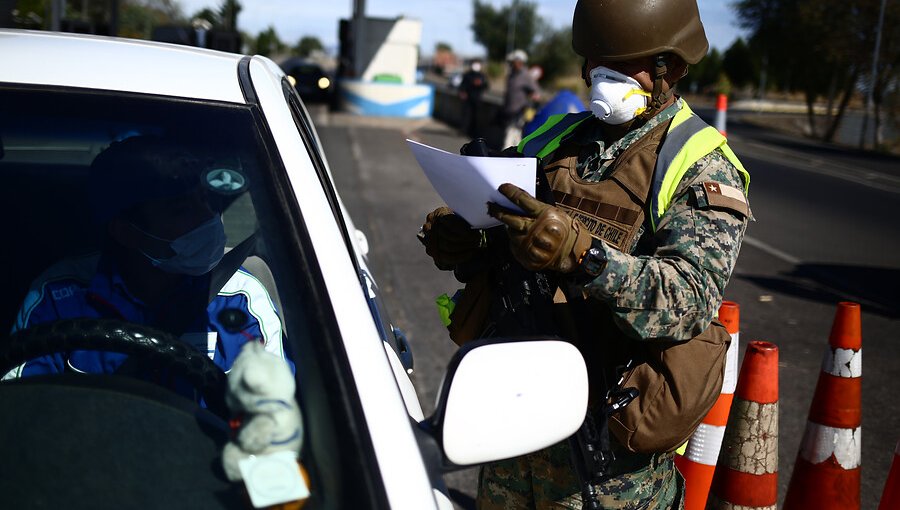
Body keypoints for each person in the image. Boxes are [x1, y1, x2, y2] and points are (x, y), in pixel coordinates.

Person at [420, 0, 751, 508]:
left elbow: (690, 299)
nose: (603, 77)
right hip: (514, 422)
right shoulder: (555, 138)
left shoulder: (700, 166)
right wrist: (464, 233)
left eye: (623, 64)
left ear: (671, 66)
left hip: (606, 461)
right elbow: (496, 211)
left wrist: (585, 257)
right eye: (597, 62)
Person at [3, 136, 290, 399]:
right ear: (125, 231)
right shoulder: (58, 299)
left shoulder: (241, 297)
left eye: (205, 200)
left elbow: (275, 423)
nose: (207, 218)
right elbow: (23, 417)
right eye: (180, 210)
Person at [500, 49, 541, 149]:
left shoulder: (526, 76)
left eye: (515, 62)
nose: (513, 64)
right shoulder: (511, 75)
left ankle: (506, 156)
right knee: (515, 136)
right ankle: (514, 157)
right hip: (510, 112)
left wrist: (529, 109)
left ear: (521, 62)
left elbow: (537, 93)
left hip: (520, 112)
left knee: (510, 136)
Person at [458, 59, 490, 138]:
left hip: (477, 99)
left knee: (476, 117)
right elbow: (462, 85)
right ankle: (464, 131)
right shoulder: (467, 75)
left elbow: (486, 86)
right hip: (468, 99)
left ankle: (474, 133)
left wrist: (480, 83)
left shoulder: (482, 75)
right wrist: (462, 92)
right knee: (466, 116)